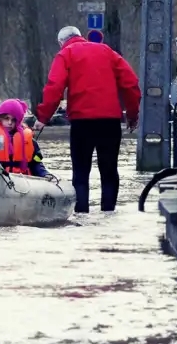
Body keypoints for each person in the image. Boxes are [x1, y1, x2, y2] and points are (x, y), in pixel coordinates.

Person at [33, 26, 142, 213]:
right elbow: (130, 83)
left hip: (81, 122)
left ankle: (82, 217)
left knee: (81, 173)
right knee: (109, 171)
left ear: (61, 42)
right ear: (80, 36)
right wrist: (132, 115)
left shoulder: (65, 54)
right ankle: (108, 215)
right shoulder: (107, 51)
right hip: (110, 122)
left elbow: (54, 87)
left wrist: (43, 117)